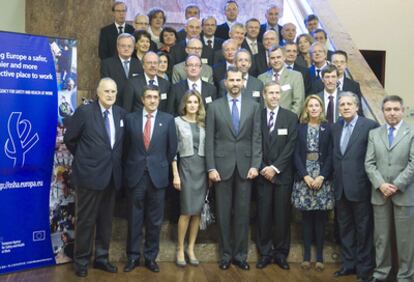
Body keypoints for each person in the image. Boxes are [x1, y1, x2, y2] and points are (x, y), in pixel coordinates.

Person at [64, 78, 127, 277]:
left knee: (106, 221)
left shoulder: (120, 114)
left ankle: (101, 258)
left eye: (113, 91)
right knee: (86, 221)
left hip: (111, 177)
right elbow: (70, 139)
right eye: (107, 91)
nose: (110, 95)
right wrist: (86, 159)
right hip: (89, 176)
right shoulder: (85, 111)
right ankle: (81, 261)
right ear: (98, 93)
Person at [206, 67, 262, 271]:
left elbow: (257, 138)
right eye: (232, 80)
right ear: (225, 83)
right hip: (221, 167)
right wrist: (211, 167)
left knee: (242, 213)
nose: (236, 83)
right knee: (222, 213)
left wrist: (256, 164)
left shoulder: (254, 106)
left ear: (243, 82)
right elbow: (210, 140)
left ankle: (240, 255)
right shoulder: (214, 107)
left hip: (246, 167)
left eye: (239, 79)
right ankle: (225, 254)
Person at [123, 85, 177, 273]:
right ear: (142, 99)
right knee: (134, 218)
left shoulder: (168, 120)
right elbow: (125, 148)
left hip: (158, 177)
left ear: (159, 100)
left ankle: (151, 258)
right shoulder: (130, 119)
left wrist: (159, 165)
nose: (152, 100)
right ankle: (132, 257)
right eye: (149, 97)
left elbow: (172, 150)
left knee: (155, 221)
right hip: (136, 176)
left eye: (155, 97)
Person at [365, 95, 414, 282]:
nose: (392, 113)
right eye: (388, 109)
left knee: (405, 240)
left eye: (395, 109)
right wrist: (381, 184)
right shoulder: (374, 134)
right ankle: (381, 273)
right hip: (380, 193)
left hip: (404, 193)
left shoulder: (411, 132)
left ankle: (405, 276)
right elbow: (369, 163)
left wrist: (397, 185)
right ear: (383, 112)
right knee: (381, 238)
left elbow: (413, 163)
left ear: (402, 110)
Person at [331, 92, 378, 282]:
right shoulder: (336, 127)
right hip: (340, 188)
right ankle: (348, 264)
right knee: (345, 228)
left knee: (363, 229)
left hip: (360, 187)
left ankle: (364, 268)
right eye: (342, 105)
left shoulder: (369, 126)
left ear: (357, 107)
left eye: (349, 104)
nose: (345, 107)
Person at [255, 81, 298, 270]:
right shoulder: (257, 116)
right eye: (270, 93)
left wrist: (275, 168)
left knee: (282, 216)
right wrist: (264, 167)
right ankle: (264, 253)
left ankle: (281, 253)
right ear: (264, 95)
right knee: (263, 215)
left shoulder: (290, 117)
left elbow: (291, 146)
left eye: (276, 93)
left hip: (282, 176)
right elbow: (253, 143)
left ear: (280, 95)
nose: (273, 96)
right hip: (262, 174)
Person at [292, 95, 334, 271]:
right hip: (305, 176)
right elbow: (295, 154)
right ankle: (307, 255)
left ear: (322, 108)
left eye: (317, 105)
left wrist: (321, 176)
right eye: (311, 105)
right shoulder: (300, 128)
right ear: (306, 109)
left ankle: (319, 257)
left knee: (321, 219)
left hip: (322, 176)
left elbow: (332, 154)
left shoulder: (329, 128)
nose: (314, 108)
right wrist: (305, 176)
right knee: (307, 218)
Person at [172, 90, 208, 267]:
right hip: (185, 168)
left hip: (202, 169)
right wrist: (176, 174)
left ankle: (191, 248)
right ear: (184, 104)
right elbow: (173, 151)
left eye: (196, 102)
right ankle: (180, 248)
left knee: (197, 212)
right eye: (190, 102)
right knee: (186, 211)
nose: (193, 105)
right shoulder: (177, 122)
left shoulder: (204, 123)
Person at [258, 46, 305, 115]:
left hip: (288, 121)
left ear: (284, 58)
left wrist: (290, 120)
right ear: (269, 60)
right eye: (273, 58)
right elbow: (260, 102)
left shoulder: (296, 76)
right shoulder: (261, 78)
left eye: (278, 57)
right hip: (266, 120)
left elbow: (298, 102)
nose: (276, 60)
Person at [101, 33, 143, 107]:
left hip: (134, 107)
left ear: (134, 47)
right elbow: (106, 85)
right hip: (115, 104)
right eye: (123, 46)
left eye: (129, 46)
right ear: (117, 47)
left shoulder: (139, 64)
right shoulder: (107, 64)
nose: (126, 48)